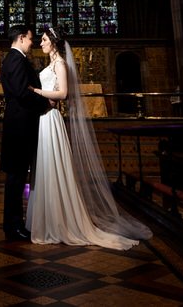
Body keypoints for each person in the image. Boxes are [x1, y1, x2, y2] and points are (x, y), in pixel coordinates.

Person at [26, 25, 152, 250]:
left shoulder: (61, 65)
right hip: (43, 119)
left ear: (53, 42)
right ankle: (47, 220)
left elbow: (63, 94)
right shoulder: (50, 64)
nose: (41, 43)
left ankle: (60, 222)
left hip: (52, 119)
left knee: (55, 167)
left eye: (44, 39)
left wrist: (36, 92)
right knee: (45, 168)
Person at [0, 24, 49, 241]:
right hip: (19, 127)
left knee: (16, 178)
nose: (32, 43)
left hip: (17, 125)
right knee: (16, 178)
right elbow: (21, 92)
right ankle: (13, 226)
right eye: (30, 39)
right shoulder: (16, 59)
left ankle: (12, 223)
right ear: (20, 38)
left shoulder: (12, 59)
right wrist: (45, 103)